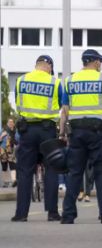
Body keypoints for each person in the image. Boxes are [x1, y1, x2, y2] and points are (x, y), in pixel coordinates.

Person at [59, 49, 102, 224]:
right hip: (97, 133)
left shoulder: (69, 81)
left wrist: (62, 132)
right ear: (95, 62)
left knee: (75, 172)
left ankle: (67, 215)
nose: (101, 64)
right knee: (101, 172)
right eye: (100, 61)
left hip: (76, 133)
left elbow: (64, 111)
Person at [11, 55, 61, 222]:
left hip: (27, 130)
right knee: (52, 169)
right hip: (47, 131)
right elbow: (60, 104)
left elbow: (18, 102)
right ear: (49, 66)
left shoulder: (21, 80)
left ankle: (21, 213)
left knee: (25, 171)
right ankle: (52, 212)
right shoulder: (55, 82)